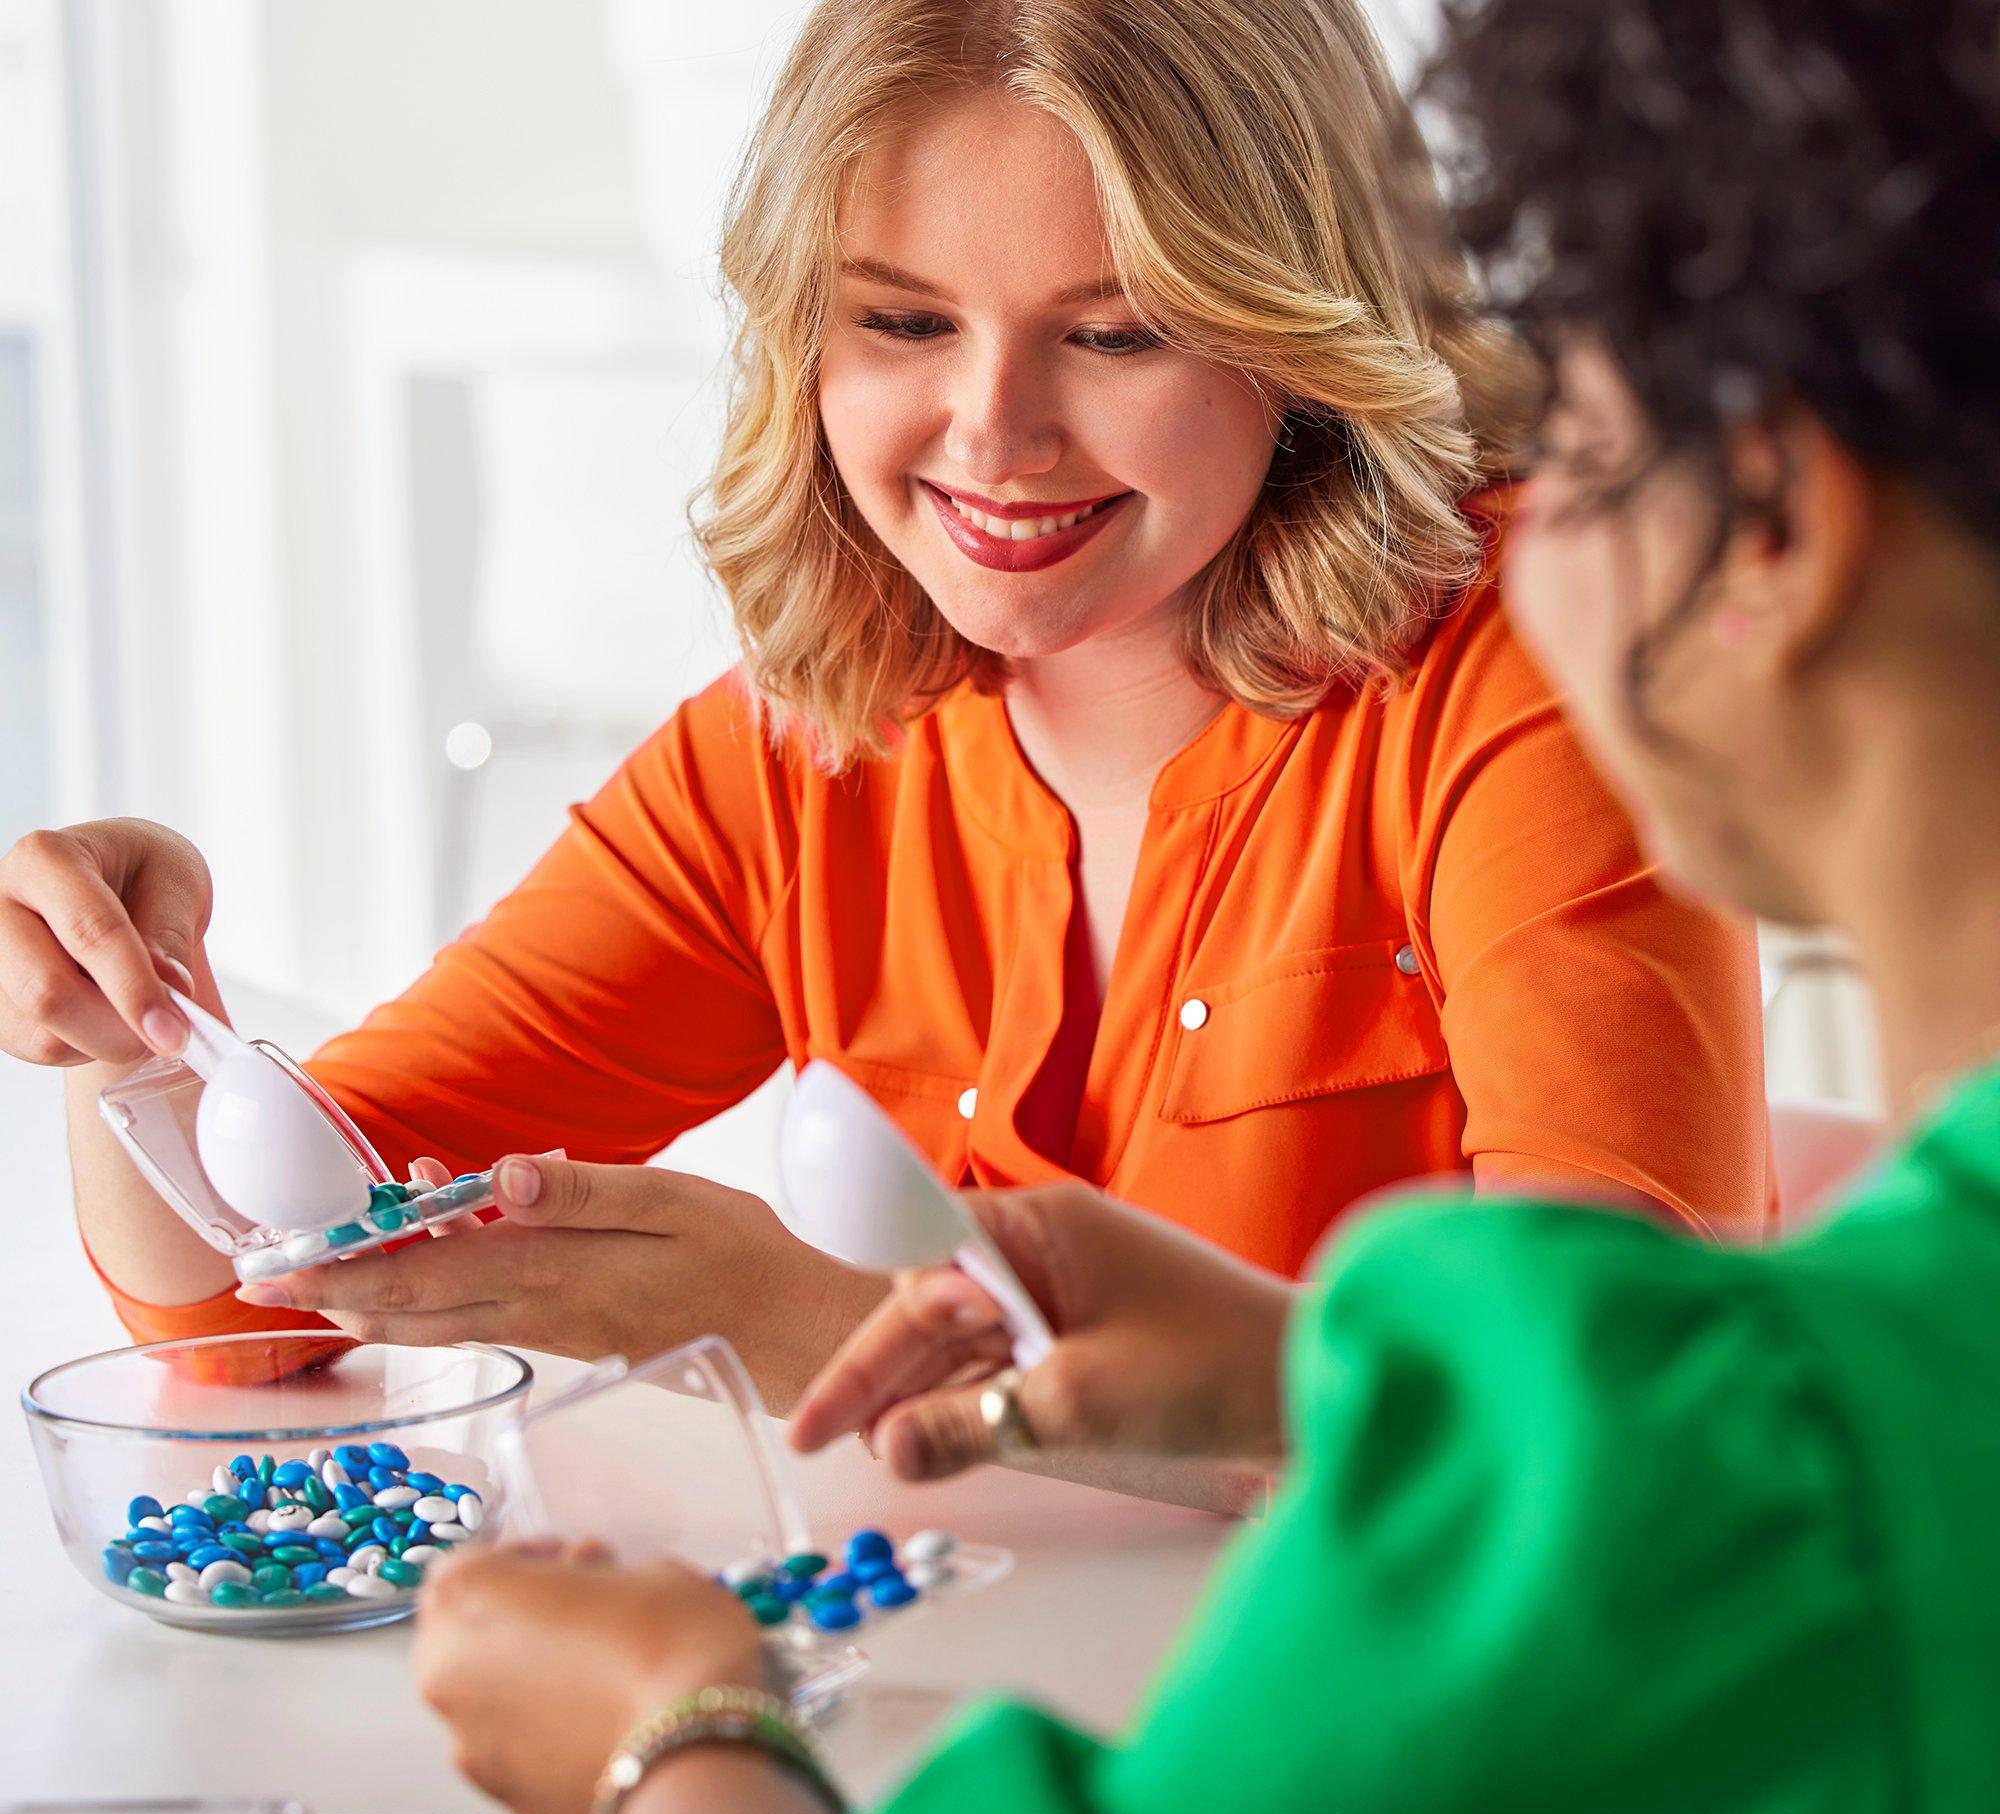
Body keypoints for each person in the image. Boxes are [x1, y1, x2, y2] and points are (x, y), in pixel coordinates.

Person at [414, 0, 2000, 1814]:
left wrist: (681, 1726)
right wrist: (1276, 1374)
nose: (1504, 509)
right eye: (898, 319)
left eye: (1563, 438)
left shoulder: (1710, 1466)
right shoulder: (1800, 1408)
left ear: (1767, 533)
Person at [0, 0, 1766, 1415]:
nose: (993, 436)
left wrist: (820, 1329)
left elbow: (1614, 1420)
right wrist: (132, 1040)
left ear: (1297, 337)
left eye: (1121, 333)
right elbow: (247, 1309)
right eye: (905, 322)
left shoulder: (1540, 657)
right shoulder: (801, 742)